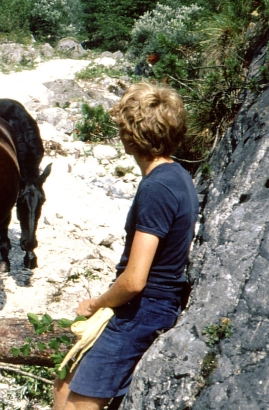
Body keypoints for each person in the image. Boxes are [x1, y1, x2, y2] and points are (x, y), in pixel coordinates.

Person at [53, 82, 199, 410]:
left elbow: (134, 280)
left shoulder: (157, 188)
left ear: (129, 136)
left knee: (77, 404)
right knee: (66, 375)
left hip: (143, 310)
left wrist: (96, 304)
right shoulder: (178, 175)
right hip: (149, 305)